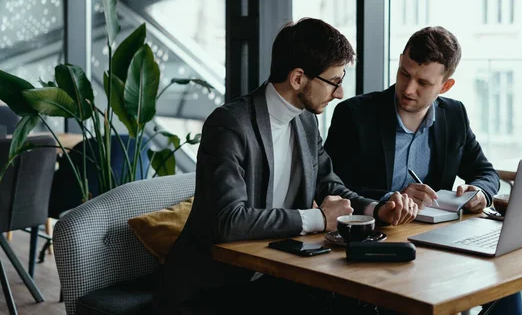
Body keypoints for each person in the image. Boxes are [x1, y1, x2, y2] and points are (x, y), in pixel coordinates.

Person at [156, 17, 419, 315]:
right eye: (334, 81)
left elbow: (329, 185)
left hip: (279, 275)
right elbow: (229, 221)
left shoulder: (306, 120)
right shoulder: (229, 124)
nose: (340, 94)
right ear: (297, 78)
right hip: (212, 289)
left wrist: (376, 210)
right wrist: (319, 218)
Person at [324, 26, 522, 314]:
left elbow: (485, 172)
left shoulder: (454, 115)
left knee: (507, 281)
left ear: (446, 86)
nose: (408, 89)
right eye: (404, 73)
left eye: (423, 82)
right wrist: (393, 196)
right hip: (380, 246)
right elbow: (333, 187)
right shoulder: (355, 115)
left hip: (436, 246)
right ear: (401, 60)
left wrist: (479, 193)